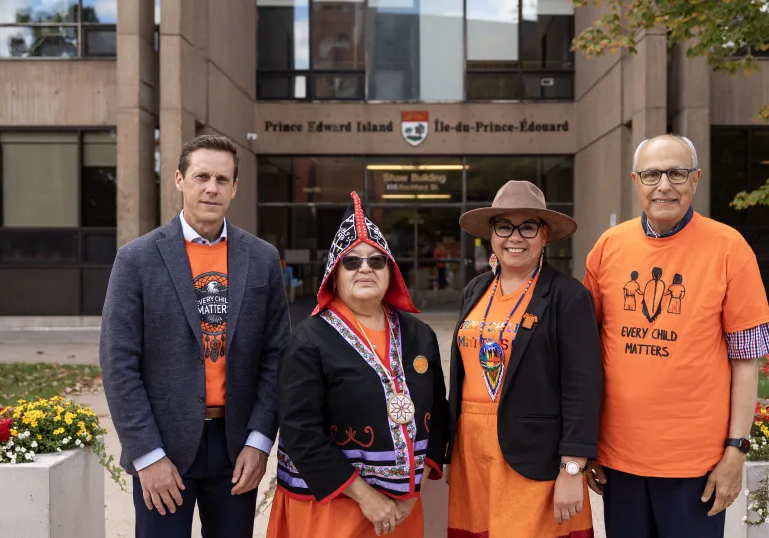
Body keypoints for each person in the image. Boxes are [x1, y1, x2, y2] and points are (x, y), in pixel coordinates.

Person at [582, 134, 769, 538]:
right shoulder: (607, 247)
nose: (664, 185)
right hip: (619, 459)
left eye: (676, 173)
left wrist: (735, 451)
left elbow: (747, 360)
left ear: (695, 179)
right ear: (636, 181)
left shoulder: (729, 248)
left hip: (696, 465)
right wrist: (586, 445)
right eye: (652, 174)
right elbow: (583, 352)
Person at [99, 134, 290, 537]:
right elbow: (118, 364)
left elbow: (276, 356)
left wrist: (259, 442)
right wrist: (147, 456)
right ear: (179, 179)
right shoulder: (137, 259)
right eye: (201, 176)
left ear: (235, 187)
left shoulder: (261, 259)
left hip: (236, 445)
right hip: (163, 444)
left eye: (222, 179)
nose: (211, 188)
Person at [268, 191, 449, 538]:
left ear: (390, 271)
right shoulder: (309, 341)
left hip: (403, 509)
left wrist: (415, 491)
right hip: (332, 507)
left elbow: (438, 415)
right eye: (351, 261)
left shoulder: (420, 335)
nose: (365, 268)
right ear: (334, 275)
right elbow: (300, 431)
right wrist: (366, 497)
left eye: (376, 261)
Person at [446, 180, 603, 538]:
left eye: (527, 227)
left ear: (543, 235)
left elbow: (583, 387)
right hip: (471, 453)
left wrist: (572, 468)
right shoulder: (476, 289)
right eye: (504, 226)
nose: (514, 237)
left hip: (535, 456)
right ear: (492, 234)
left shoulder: (568, 297)